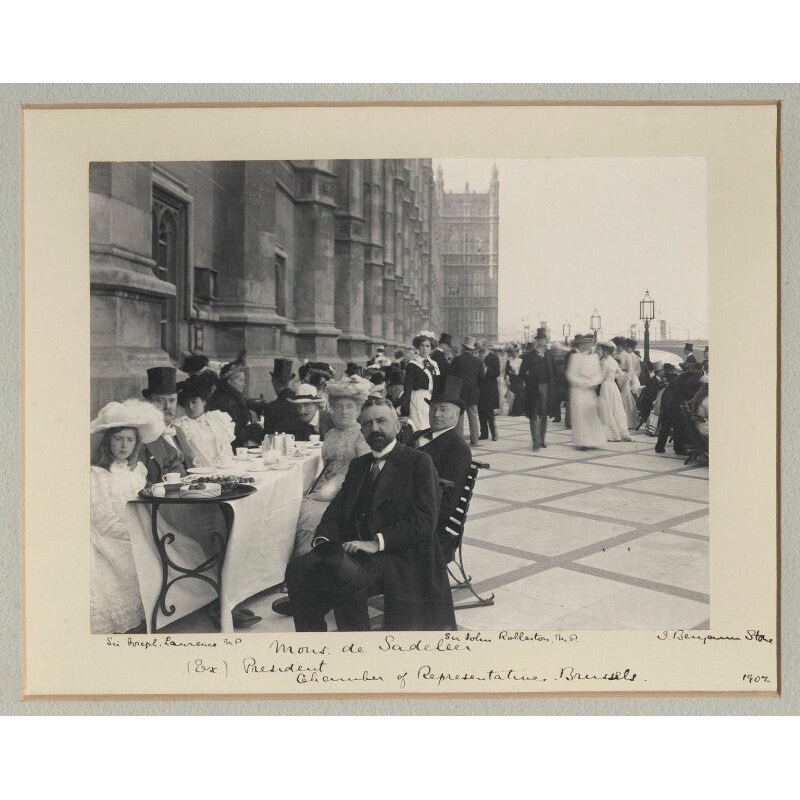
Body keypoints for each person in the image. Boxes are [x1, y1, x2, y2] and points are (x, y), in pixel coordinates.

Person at [284, 397, 456, 632]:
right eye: (367, 423)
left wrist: (376, 543)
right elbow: (337, 510)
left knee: (346, 575)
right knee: (297, 570)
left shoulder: (418, 462)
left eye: (381, 421)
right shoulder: (359, 465)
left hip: (402, 552)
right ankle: (312, 640)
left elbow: (424, 521)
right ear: (361, 430)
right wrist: (325, 541)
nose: (374, 428)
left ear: (397, 426)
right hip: (358, 549)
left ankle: (357, 641)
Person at [90, 399, 164, 633]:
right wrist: (138, 535)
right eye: (118, 438)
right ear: (107, 441)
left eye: (130, 440)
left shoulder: (137, 470)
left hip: (138, 530)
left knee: (180, 546)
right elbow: (103, 522)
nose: (124, 445)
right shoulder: (98, 474)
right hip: (110, 540)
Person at [283, 375, 372, 566]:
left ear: (358, 410)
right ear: (332, 409)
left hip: (350, 495)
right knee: (291, 506)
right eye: (338, 407)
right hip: (326, 489)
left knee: (309, 513)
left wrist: (326, 494)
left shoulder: (361, 436)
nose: (343, 411)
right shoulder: (331, 434)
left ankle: (308, 564)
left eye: (349, 407)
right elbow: (327, 468)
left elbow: (362, 474)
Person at [414, 376, 473, 559]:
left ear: (456, 415)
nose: (436, 414)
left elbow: (447, 503)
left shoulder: (458, 449)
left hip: (425, 522)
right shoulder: (417, 435)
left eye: (443, 409)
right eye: (433, 408)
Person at [139, 366, 195, 484]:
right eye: (160, 400)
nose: (167, 406)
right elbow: (139, 480)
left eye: (172, 400)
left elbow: (190, 468)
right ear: (149, 403)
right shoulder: (142, 435)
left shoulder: (178, 431)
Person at [174, 372, 236, 467]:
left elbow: (226, 448)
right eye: (186, 404)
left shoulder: (217, 418)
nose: (190, 407)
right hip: (198, 471)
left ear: (204, 401)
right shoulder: (182, 425)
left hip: (223, 468)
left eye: (194, 402)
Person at [206, 356, 264, 448]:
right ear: (229, 382)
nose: (243, 384)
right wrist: (255, 427)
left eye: (244, 381)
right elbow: (234, 431)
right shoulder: (225, 401)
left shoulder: (233, 397)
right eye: (240, 381)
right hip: (230, 447)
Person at [565, 334, 606, 450]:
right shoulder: (575, 357)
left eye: (590, 343)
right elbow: (570, 375)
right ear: (581, 344)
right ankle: (583, 442)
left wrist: (594, 382)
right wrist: (583, 383)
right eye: (586, 343)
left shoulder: (594, 357)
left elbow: (599, 374)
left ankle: (593, 440)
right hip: (578, 391)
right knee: (580, 416)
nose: (588, 345)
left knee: (591, 415)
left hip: (590, 391)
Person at [655, 366, 704, 455]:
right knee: (679, 423)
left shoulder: (697, 373)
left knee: (666, 423)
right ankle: (679, 449)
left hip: (669, 396)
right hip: (674, 398)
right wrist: (692, 399)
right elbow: (686, 387)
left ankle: (659, 447)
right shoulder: (698, 375)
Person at [520, 328, 555, 451]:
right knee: (533, 414)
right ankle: (536, 442)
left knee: (544, 415)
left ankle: (542, 439)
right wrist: (529, 380)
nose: (543, 341)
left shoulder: (549, 355)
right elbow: (522, 373)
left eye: (544, 339)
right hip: (533, 388)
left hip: (545, 387)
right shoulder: (529, 356)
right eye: (541, 339)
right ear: (537, 340)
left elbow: (554, 372)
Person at [400, 331, 440, 432]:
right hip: (418, 401)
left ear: (431, 348)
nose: (425, 349)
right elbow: (407, 389)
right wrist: (405, 413)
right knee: (421, 429)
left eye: (427, 346)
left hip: (432, 400)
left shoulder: (434, 364)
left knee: (432, 429)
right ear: (418, 347)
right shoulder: (412, 365)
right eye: (422, 345)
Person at [448, 335, 484, 446]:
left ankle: (460, 441)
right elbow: (481, 378)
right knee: (473, 417)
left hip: (460, 393)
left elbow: (451, 375)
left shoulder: (457, 359)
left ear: (463, 348)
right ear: (472, 349)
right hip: (473, 393)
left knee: (460, 417)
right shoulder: (478, 361)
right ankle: (475, 439)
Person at [596, 340, 632, 442]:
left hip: (606, 387)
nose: (599, 351)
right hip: (613, 386)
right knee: (616, 408)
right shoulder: (613, 361)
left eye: (600, 350)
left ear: (604, 351)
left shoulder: (604, 362)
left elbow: (600, 378)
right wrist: (611, 376)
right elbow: (621, 374)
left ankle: (612, 434)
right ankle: (621, 432)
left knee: (607, 409)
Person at [258, 358, 297, 434]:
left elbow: (268, 436)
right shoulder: (300, 403)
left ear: (273, 382)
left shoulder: (271, 408)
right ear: (290, 382)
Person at [612, 336, 638, 431]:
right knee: (616, 401)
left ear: (622, 346)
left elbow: (631, 370)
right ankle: (617, 422)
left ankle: (629, 423)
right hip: (614, 378)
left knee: (626, 402)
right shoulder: (613, 355)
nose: (617, 348)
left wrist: (626, 379)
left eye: (618, 346)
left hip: (624, 379)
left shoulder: (627, 355)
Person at [478, 343, 501, 441]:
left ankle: (494, 434)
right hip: (480, 388)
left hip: (490, 388)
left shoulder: (494, 357)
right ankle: (484, 433)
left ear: (487, 346)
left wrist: (486, 368)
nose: (481, 347)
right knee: (481, 411)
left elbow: (497, 372)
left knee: (489, 412)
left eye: (483, 345)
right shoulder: (479, 356)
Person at [504, 345, 525, 416]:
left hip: (519, 379)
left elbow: (523, 371)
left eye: (515, 352)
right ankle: (513, 411)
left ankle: (519, 411)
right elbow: (507, 372)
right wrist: (507, 380)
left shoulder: (521, 361)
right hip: (512, 379)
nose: (514, 354)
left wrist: (524, 380)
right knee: (513, 395)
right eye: (513, 352)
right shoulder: (509, 361)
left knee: (519, 395)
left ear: (518, 353)